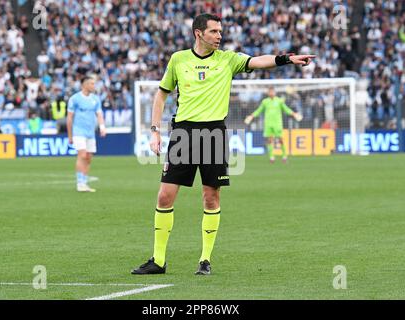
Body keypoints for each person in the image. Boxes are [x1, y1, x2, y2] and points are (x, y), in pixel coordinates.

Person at [131, 13, 314, 275]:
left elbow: (257, 61)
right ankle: (158, 260)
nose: (220, 36)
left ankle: (205, 260)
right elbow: (161, 96)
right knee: (165, 195)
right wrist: (154, 131)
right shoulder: (178, 59)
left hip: (214, 133)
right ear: (198, 33)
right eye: (214, 31)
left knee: (211, 197)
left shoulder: (228, 59)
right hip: (183, 133)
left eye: (220, 31)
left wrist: (287, 59)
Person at [67, 76, 106, 192]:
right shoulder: (75, 99)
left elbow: (99, 114)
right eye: (92, 84)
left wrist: (102, 127)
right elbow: (69, 118)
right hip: (78, 131)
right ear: (84, 85)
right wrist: (70, 135)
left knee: (88, 158)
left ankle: (84, 181)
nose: (94, 86)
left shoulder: (95, 99)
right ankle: (80, 183)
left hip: (90, 133)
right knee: (82, 155)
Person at [244, 87, 302, 163]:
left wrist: (294, 114)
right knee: (270, 140)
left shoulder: (279, 101)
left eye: (272, 92)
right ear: (268, 93)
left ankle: (284, 156)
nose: (271, 93)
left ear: (275, 92)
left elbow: (286, 109)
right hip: (268, 123)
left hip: (277, 123)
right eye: (270, 92)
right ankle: (271, 157)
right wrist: (251, 116)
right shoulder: (265, 101)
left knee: (280, 140)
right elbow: (259, 110)